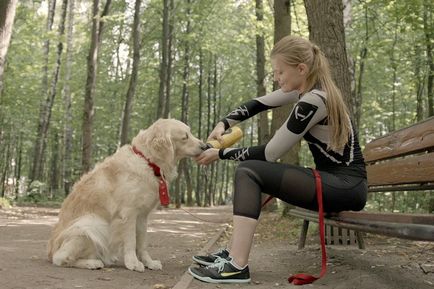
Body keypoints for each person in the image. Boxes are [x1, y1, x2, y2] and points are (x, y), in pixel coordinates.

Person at [188, 35, 367, 284]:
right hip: (336, 182)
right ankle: (232, 256)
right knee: (248, 170)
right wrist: (224, 123)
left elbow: (271, 153)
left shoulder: (312, 102)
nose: (276, 77)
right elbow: (257, 104)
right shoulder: (307, 92)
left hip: (345, 186)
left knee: (248, 171)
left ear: (301, 69)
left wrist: (219, 153)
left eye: (280, 71)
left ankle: (237, 265)